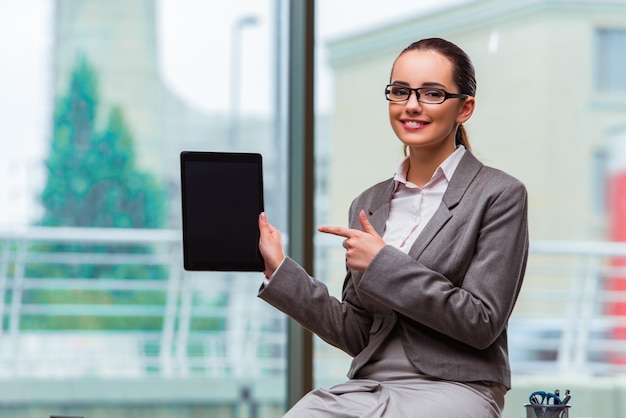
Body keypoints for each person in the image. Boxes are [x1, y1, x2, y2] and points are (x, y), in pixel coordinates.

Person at [257, 37, 528, 418]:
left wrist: (383, 262)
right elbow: (356, 332)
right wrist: (280, 270)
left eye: (432, 93)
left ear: (464, 108)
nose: (412, 105)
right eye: (400, 92)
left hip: (456, 388)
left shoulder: (499, 194)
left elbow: (481, 321)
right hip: (372, 388)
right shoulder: (368, 204)